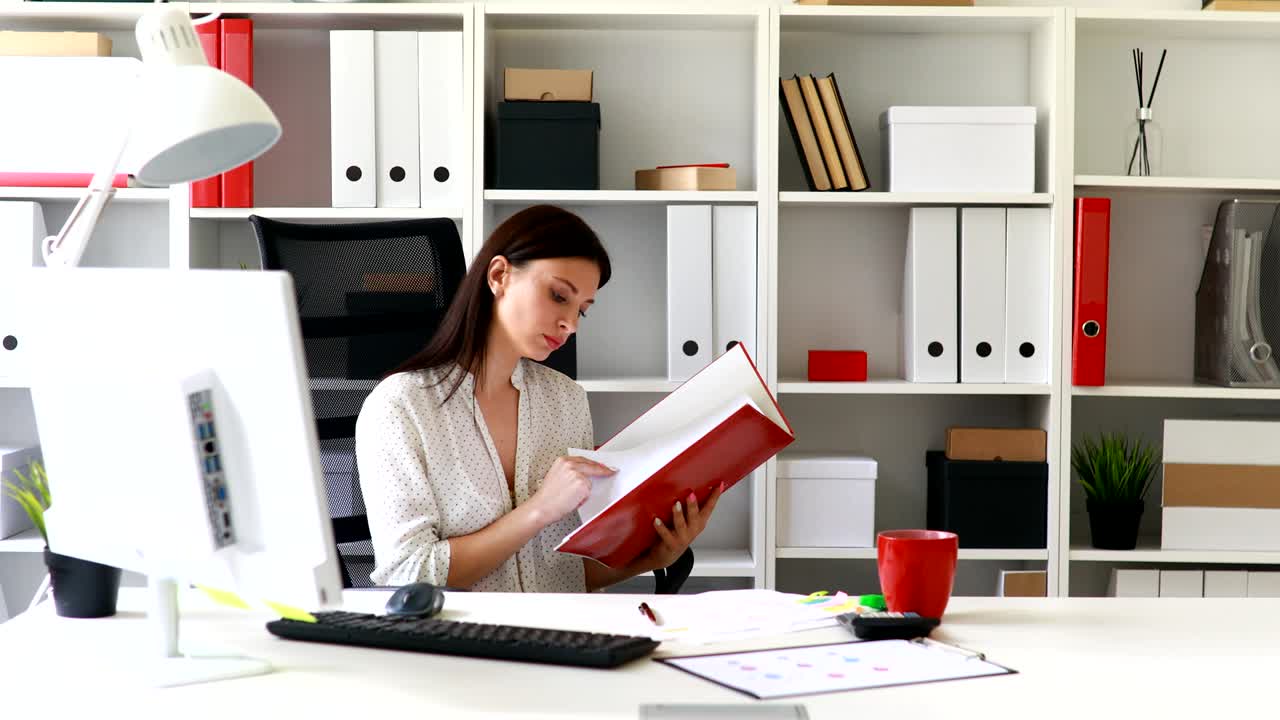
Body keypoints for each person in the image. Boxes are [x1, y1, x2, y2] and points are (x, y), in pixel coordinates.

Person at [355, 204, 723, 592]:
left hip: (557, 637)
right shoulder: (401, 406)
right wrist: (540, 509)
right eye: (559, 296)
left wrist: (651, 558)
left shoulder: (567, 400)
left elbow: (558, 574)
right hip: (460, 642)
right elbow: (409, 573)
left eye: (583, 309)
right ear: (499, 276)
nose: (572, 324)